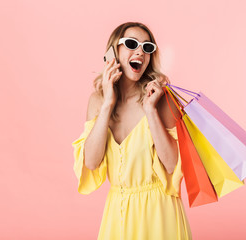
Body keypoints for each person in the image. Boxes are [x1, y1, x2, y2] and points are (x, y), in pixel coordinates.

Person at [72, 21, 193, 240]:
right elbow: (91, 162)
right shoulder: (98, 102)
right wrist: (108, 103)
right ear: (113, 52)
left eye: (147, 47)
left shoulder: (162, 99)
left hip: (159, 214)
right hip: (117, 213)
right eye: (131, 44)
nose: (140, 52)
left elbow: (173, 164)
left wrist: (151, 110)